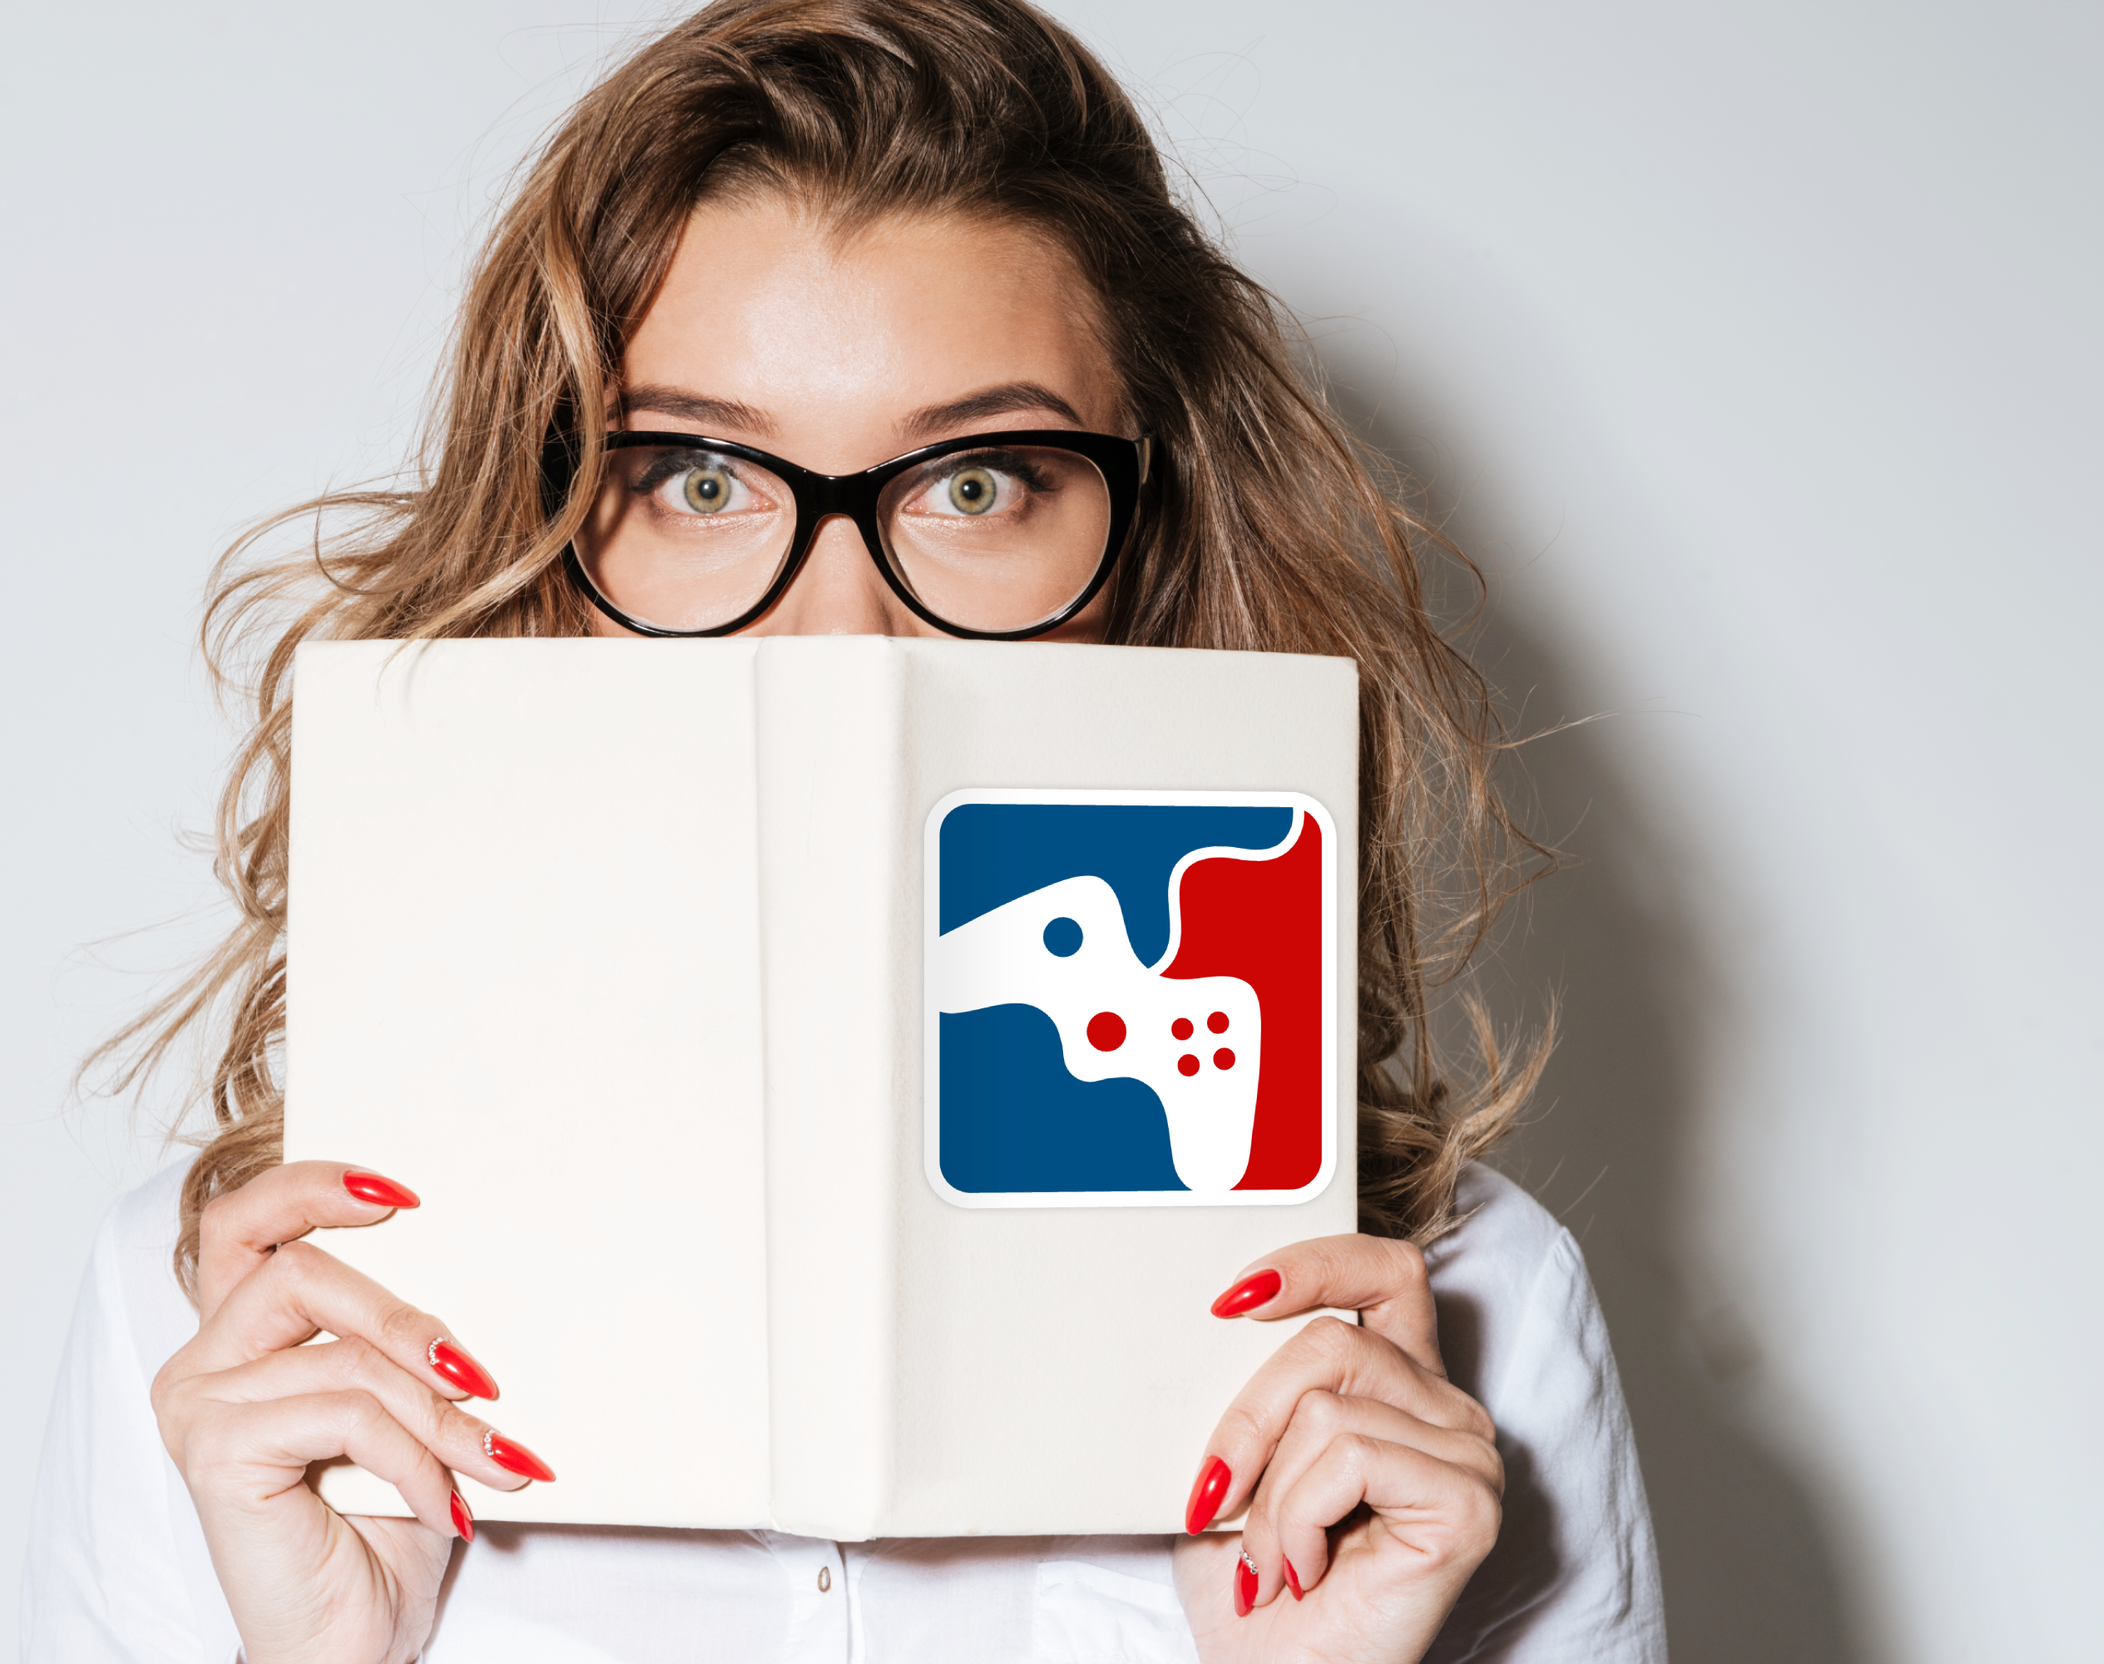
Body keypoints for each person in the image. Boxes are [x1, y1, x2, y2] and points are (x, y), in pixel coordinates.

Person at [22, 3, 1665, 1659]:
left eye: (974, 484)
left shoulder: (1463, 1335)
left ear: (1152, 546)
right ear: (540, 540)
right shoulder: (241, 1339)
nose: (836, 639)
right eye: (698, 477)